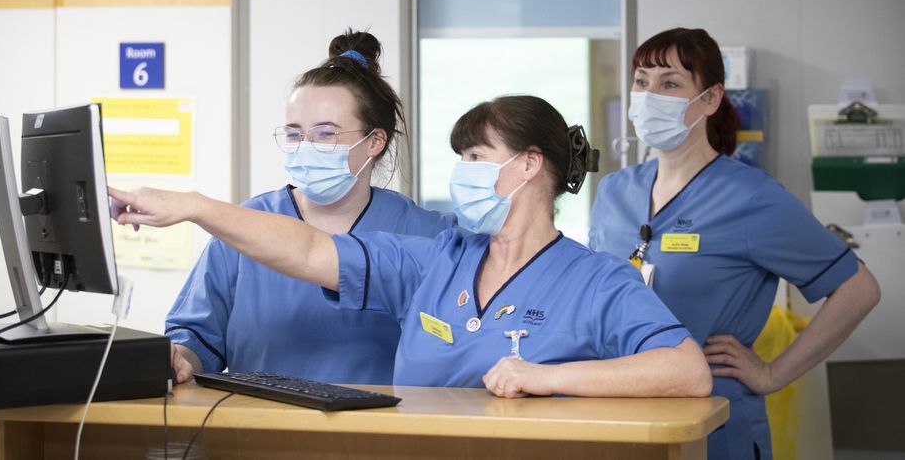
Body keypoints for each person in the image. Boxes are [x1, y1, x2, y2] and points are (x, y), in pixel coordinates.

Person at [112, 95, 713, 398]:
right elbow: (308, 251)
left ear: (530, 165)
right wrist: (196, 206)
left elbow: (686, 370)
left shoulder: (596, 280)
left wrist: (549, 378)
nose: (462, 172)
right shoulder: (435, 258)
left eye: (476, 158)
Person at [588, 28, 881, 460]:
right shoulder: (613, 192)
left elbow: (859, 290)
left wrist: (773, 374)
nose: (650, 95)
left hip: (713, 428)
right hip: (618, 417)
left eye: (670, 83)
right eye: (641, 81)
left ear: (709, 99)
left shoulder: (752, 198)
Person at [163, 29, 455, 385]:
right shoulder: (245, 227)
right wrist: (180, 358)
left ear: (375, 141)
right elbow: (195, 340)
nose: (305, 147)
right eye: (294, 133)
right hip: (256, 427)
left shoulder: (425, 233)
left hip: (381, 434)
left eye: (325, 134)